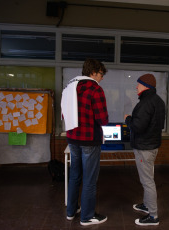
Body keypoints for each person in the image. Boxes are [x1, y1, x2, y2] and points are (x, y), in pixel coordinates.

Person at [61, 58, 109, 226]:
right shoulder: (95, 89)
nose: (102, 78)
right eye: (101, 74)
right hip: (89, 140)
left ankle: (71, 211)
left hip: (72, 138)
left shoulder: (69, 87)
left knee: (75, 175)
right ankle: (87, 217)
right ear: (93, 72)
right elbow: (103, 119)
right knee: (90, 179)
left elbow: (64, 115)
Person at [124, 73, 166, 226]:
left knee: (147, 181)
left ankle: (153, 216)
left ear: (146, 85)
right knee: (147, 179)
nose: (136, 86)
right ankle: (147, 205)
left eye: (138, 84)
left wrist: (128, 119)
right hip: (152, 146)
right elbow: (157, 125)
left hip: (144, 148)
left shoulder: (145, 103)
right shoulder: (159, 101)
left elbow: (137, 127)